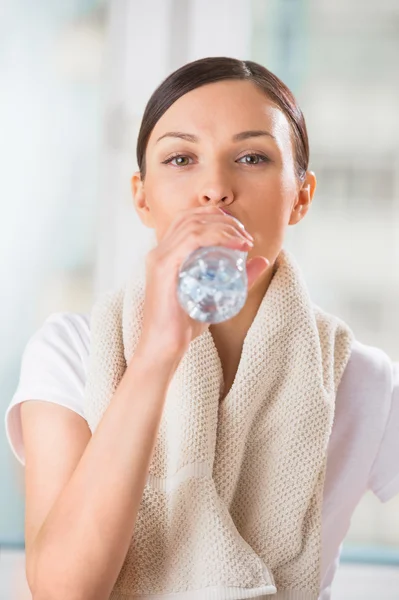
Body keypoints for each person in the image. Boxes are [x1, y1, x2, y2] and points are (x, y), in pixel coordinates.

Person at [4, 57, 399, 600]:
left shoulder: (362, 379)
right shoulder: (72, 352)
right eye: (181, 158)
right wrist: (158, 352)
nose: (215, 188)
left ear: (302, 195)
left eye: (252, 157)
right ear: (142, 195)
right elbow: (63, 591)